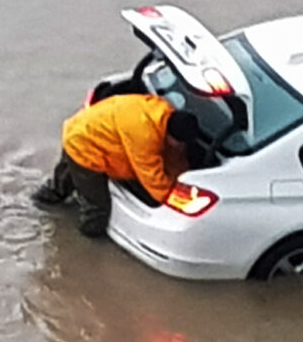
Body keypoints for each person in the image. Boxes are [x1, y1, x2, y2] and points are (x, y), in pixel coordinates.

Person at [32, 92, 194, 238]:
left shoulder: (160, 110)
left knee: (62, 184)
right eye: (179, 144)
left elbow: (174, 156)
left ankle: (38, 203)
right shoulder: (144, 135)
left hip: (80, 129)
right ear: (171, 136)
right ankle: (81, 250)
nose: (181, 148)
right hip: (86, 151)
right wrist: (173, 196)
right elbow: (150, 177)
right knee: (98, 210)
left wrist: (182, 174)